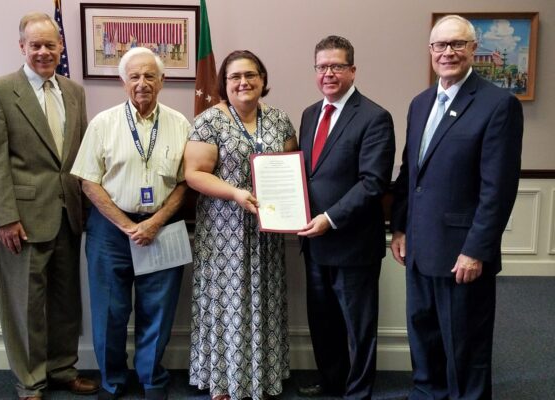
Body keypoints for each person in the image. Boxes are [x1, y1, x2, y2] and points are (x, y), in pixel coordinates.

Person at [390, 15, 524, 399]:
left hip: (462, 254)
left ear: (473, 50)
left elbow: (497, 189)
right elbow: (409, 173)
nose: (447, 52)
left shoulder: (498, 104)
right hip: (418, 247)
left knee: (465, 347)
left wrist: (475, 250)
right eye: (440, 45)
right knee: (424, 335)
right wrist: (400, 228)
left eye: (456, 44)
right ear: (430, 51)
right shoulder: (420, 104)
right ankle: (427, 393)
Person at [0, 12, 98, 400]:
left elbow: (80, 155)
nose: (44, 52)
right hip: (22, 220)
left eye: (50, 45)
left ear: (61, 47)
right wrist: (5, 217)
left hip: (68, 214)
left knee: (65, 301)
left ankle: (63, 369)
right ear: (22, 47)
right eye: (36, 45)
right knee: (25, 304)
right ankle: (30, 381)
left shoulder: (74, 91)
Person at [71, 47, 190, 400]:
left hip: (163, 227)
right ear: (123, 82)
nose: (142, 83)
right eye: (134, 76)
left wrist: (154, 222)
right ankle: (113, 381)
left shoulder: (181, 124)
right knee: (110, 312)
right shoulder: (103, 123)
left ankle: (152, 379)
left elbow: (186, 181)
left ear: (162, 81)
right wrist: (126, 224)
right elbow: (88, 181)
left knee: (159, 310)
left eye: (149, 76)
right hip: (110, 231)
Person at [184, 50, 297, 400]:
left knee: (264, 298)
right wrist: (235, 193)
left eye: (251, 75)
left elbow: (291, 167)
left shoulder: (279, 119)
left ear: (263, 80)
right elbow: (194, 174)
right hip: (223, 232)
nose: (243, 82)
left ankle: (262, 377)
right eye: (235, 77)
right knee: (225, 301)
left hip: (267, 231)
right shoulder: (209, 121)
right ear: (224, 83)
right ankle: (224, 380)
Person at [297, 35, 395, 400]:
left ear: (352, 70)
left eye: (337, 66)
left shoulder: (374, 117)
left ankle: (357, 393)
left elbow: (372, 183)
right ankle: (332, 382)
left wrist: (329, 219)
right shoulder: (310, 114)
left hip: (353, 245)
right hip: (314, 243)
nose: (329, 74)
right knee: (323, 324)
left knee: (358, 327)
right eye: (322, 67)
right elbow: (307, 175)